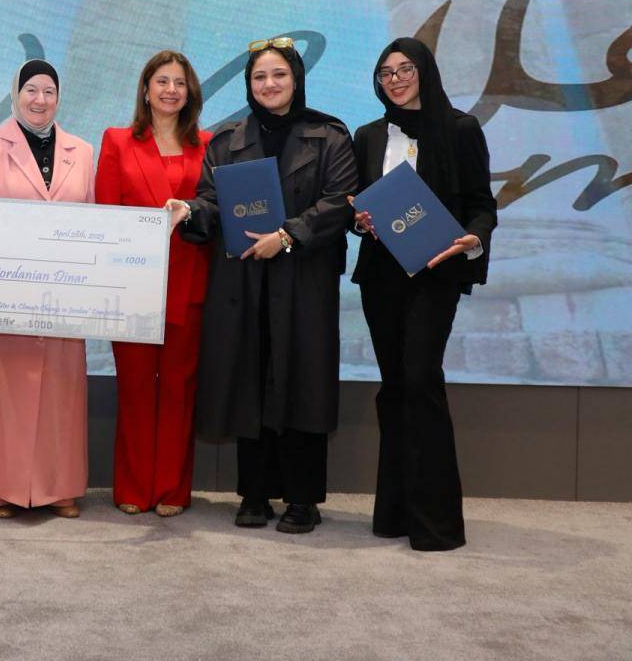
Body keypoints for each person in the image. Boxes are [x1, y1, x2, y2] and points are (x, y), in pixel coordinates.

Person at [168, 37, 357, 533]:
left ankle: (302, 500)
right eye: (259, 77)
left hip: (304, 281)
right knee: (249, 381)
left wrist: (287, 236)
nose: (269, 84)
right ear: (249, 85)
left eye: (279, 74)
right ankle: (253, 493)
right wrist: (190, 210)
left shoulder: (330, 135)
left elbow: (340, 201)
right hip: (244, 282)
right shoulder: (227, 140)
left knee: (302, 384)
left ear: (296, 79)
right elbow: (211, 201)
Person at [350, 37, 497, 551]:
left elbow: (482, 205)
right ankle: (394, 513)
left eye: (405, 69)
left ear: (425, 72)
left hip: (435, 275)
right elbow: (356, 209)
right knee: (394, 386)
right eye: (385, 72)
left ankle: (437, 523)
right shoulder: (368, 135)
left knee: (421, 380)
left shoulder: (460, 129)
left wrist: (474, 237)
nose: (395, 79)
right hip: (381, 277)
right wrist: (359, 220)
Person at [0, 59, 95, 519]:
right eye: (31, 89)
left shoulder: (82, 150)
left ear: (59, 97)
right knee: (0, 393)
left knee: (59, 395)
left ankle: (59, 486)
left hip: (62, 295)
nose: (39, 99)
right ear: (16, 94)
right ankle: (0, 486)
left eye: (49, 91)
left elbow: (94, 224)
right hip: (1, 296)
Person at [95, 51, 211, 518]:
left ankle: (172, 489)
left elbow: (212, 210)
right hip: (132, 284)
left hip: (189, 280)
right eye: (161, 81)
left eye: (179, 83)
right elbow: (106, 215)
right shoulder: (117, 140)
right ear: (145, 90)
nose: (170, 90)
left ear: (190, 92)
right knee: (137, 386)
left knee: (179, 388)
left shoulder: (209, 144)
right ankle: (134, 484)